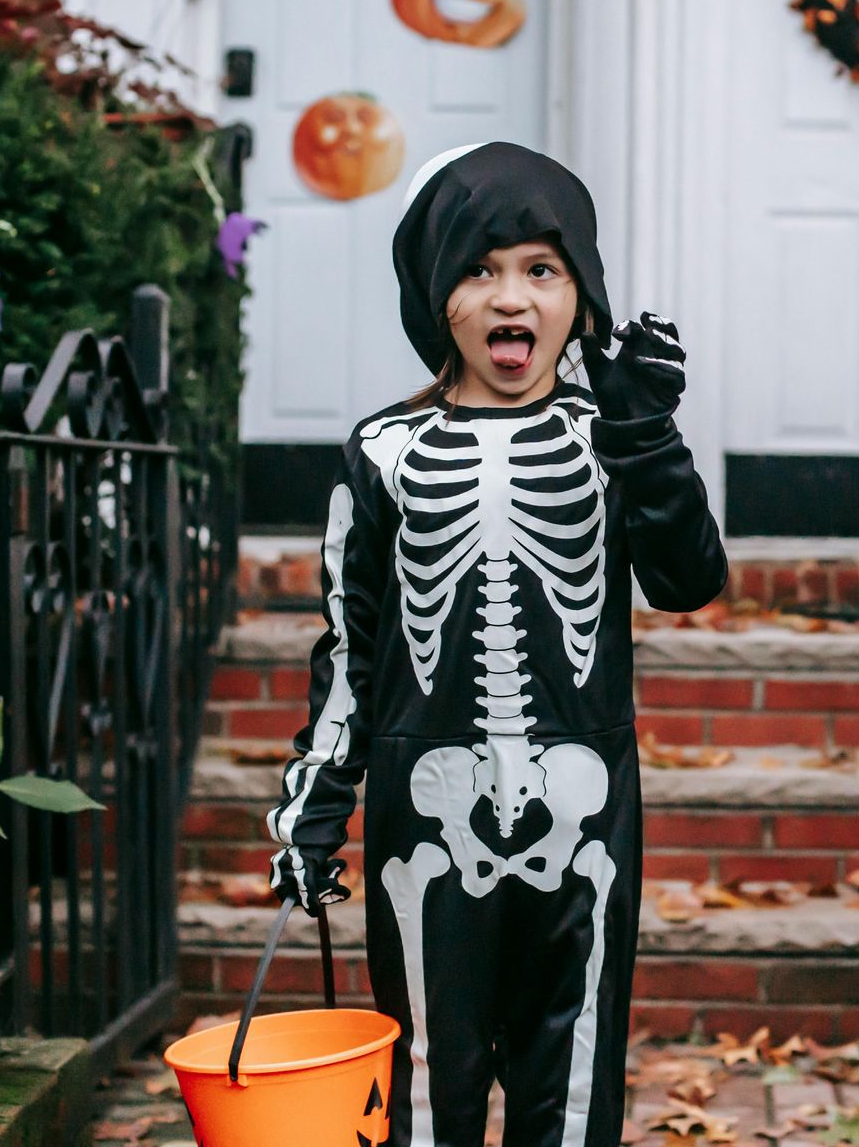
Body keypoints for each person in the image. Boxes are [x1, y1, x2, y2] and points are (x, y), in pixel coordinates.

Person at [265, 141, 728, 1147]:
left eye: (540, 269)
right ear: (438, 297)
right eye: (478, 269)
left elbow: (690, 579)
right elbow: (352, 645)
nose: (509, 296)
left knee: (572, 1080)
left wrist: (646, 431)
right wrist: (314, 805)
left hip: (586, 809)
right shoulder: (382, 450)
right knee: (429, 1078)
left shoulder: (611, 434)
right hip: (421, 811)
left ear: (581, 296)